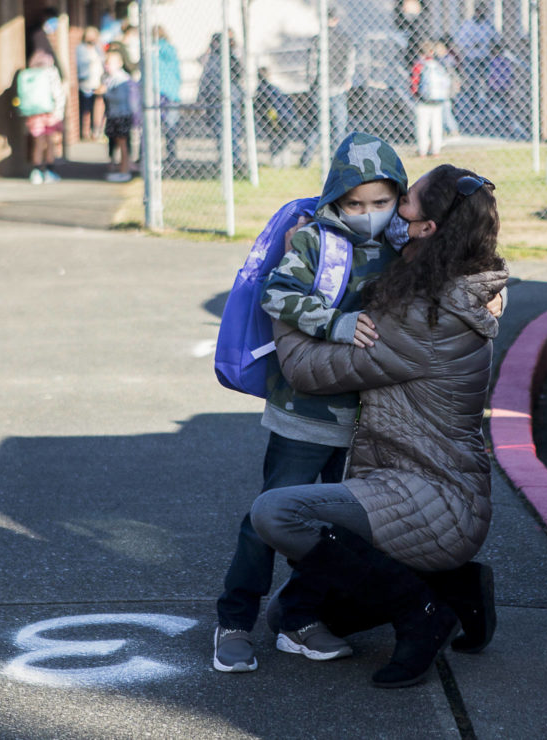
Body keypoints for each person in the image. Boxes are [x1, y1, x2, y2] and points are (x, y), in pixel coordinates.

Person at [249, 164, 506, 688]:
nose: (390, 214)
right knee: (287, 616)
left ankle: (423, 613)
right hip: (421, 490)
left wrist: (293, 294)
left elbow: (305, 370)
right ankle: (457, 587)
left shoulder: (425, 319)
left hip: (432, 496)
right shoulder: (451, 284)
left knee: (275, 514)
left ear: (429, 229)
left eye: (403, 204)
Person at [213, 132, 409, 673]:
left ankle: (300, 619)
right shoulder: (316, 241)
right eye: (355, 203)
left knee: (337, 529)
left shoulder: (407, 244)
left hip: (372, 421)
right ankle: (233, 619)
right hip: (304, 413)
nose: (368, 214)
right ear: (335, 200)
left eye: (381, 202)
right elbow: (277, 293)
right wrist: (335, 322)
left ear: (399, 198)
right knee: (267, 519)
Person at [300, 7, 354, 168]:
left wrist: (311, 82)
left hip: (323, 87)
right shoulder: (344, 39)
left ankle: (306, 159)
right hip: (336, 86)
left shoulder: (318, 39)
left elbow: (312, 63)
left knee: (318, 125)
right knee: (338, 126)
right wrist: (347, 79)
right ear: (336, 20)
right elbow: (350, 61)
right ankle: (335, 160)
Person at [198, 31, 246, 174]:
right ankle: (227, 163)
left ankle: (234, 163)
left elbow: (239, 74)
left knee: (233, 133)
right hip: (217, 102)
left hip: (229, 101)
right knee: (222, 134)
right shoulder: (212, 58)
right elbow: (205, 79)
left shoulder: (231, 57)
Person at [22, 49, 65, 185]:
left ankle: (36, 171)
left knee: (38, 143)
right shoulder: (51, 73)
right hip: (50, 113)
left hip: (34, 114)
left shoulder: (30, 72)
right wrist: (59, 112)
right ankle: (49, 171)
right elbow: (58, 93)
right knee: (50, 142)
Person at [101, 50, 138, 182]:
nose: (106, 66)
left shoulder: (121, 78)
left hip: (122, 115)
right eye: (105, 63)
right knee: (117, 141)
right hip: (114, 114)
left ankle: (125, 170)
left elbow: (121, 97)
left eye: (109, 63)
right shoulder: (108, 78)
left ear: (119, 64)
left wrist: (106, 93)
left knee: (123, 143)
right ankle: (121, 168)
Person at [411, 40, 451, 157]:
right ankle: (436, 150)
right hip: (437, 101)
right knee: (437, 126)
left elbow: (414, 82)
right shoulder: (438, 65)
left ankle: (422, 150)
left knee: (422, 126)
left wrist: (416, 95)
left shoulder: (419, 65)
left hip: (423, 101)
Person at [153, 26, 182, 161]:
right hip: (170, 91)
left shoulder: (151, 49)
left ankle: (151, 154)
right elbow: (177, 70)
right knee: (170, 124)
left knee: (153, 124)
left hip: (155, 91)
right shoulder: (170, 49)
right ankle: (171, 154)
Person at [77, 26, 105, 140]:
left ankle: (96, 131)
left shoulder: (98, 48)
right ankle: (84, 131)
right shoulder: (80, 49)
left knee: (98, 107)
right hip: (85, 82)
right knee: (85, 108)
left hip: (97, 81)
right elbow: (80, 63)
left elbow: (103, 61)